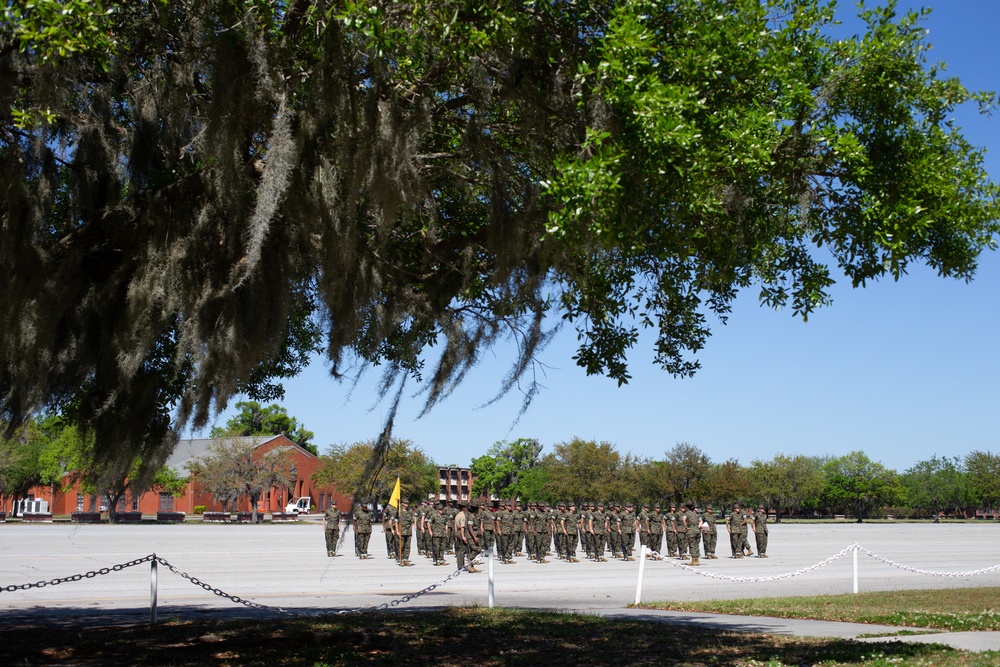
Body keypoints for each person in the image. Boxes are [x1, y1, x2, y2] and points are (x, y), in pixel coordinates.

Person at [394, 499, 415, 566]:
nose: (407, 505)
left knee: (407, 546)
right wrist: (397, 531)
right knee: (401, 546)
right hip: (401, 531)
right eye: (405, 503)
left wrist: (410, 529)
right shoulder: (399, 512)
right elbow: (396, 522)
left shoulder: (409, 512)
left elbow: (411, 522)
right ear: (402, 503)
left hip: (408, 532)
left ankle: (405, 559)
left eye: (407, 503)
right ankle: (401, 560)